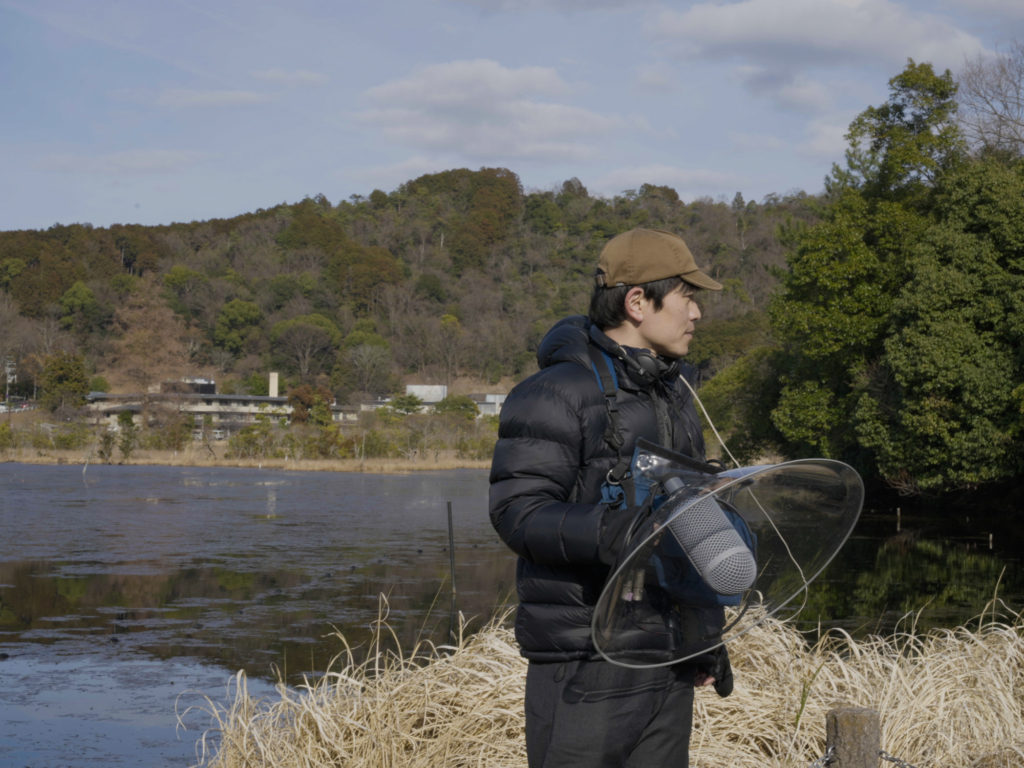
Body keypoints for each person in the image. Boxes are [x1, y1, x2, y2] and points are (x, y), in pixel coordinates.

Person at [489, 227, 732, 768]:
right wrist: (621, 532)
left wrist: (706, 632)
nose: (696, 314)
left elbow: (692, 519)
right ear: (638, 302)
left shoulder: (676, 394)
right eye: (688, 298)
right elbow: (518, 514)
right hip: (585, 662)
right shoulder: (555, 393)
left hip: (668, 660)